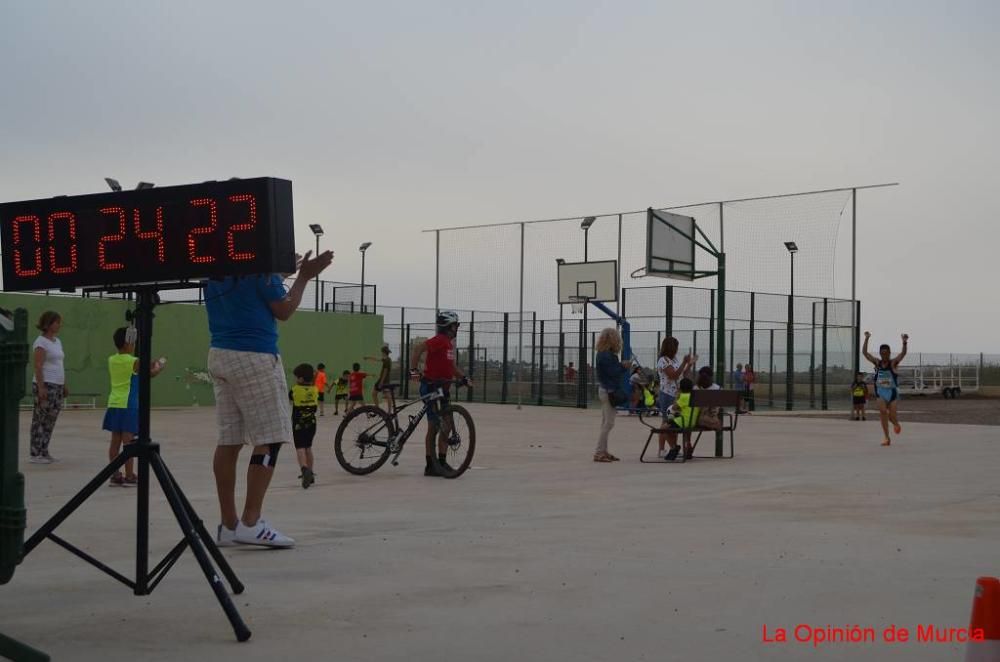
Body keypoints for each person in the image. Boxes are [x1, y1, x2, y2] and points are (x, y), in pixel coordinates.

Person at [206, 249, 333, 549]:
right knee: (271, 437)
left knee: (230, 440)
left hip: (219, 354)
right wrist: (303, 277)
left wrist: (282, 275)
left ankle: (228, 525)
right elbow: (284, 309)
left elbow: (247, 291)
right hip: (255, 356)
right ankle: (251, 522)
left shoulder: (215, 270)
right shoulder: (260, 272)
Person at [408, 310, 470, 476]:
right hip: (431, 388)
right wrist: (414, 371)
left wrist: (463, 378)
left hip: (443, 390)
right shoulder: (439, 340)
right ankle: (430, 465)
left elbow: (451, 367)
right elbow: (418, 349)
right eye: (456, 325)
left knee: (447, 425)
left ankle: (441, 462)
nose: (457, 328)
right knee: (434, 427)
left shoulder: (448, 344)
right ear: (449, 327)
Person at [104, 327, 166, 487]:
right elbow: (150, 372)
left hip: (114, 403)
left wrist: (152, 364)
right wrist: (159, 366)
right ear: (127, 342)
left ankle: (115, 474)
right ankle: (130, 475)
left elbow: (143, 365)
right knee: (129, 443)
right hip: (128, 405)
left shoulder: (112, 359)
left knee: (115, 441)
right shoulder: (133, 361)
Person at [30, 311, 67, 464]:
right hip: (45, 384)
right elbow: (38, 366)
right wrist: (41, 387)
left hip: (57, 385)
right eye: (56, 322)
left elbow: (60, 364)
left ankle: (44, 451)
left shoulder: (57, 341)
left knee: (50, 420)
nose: (59, 325)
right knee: (40, 418)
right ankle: (35, 453)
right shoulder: (40, 342)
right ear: (48, 323)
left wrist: (64, 385)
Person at [862, 331, 909, 446]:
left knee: (892, 416)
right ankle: (886, 438)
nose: (884, 355)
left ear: (889, 353)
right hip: (880, 391)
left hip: (892, 392)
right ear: (880, 353)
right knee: (883, 412)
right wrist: (867, 338)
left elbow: (902, 354)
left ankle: (896, 424)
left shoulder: (893, 363)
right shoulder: (877, 362)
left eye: (886, 353)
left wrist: (904, 343)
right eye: (882, 353)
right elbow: (865, 353)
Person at [593, 327, 631, 463]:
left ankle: (603, 451)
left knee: (605, 422)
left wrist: (620, 365)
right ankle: (599, 452)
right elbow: (613, 372)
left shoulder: (602, 354)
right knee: (608, 423)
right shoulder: (607, 355)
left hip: (605, 389)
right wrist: (623, 366)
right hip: (609, 391)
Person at [655, 336, 696, 460]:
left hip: (676, 394)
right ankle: (662, 449)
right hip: (667, 394)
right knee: (666, 421)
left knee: (674, 421)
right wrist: (684, 362)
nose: (677, 350)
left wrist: (689, 365)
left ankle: (673, 446)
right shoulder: (663, 360)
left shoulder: (674, 359)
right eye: (676, 347)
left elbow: (682, 374)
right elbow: (673, 375)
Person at [289, 363, 319, 489]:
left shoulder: (295, 390)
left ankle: (304, 469)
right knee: (308, 448)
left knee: (300, 448)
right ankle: (310, 473)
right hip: (312, 423)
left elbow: (290, 399)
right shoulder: (315, 390)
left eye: (297, 377)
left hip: (298, 425)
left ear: (301, 379)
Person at [663, 378, 699, 461]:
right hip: (692, 422)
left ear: (680, 388)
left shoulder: (683, 397)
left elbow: (674, 407)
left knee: (663, 428)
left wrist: (677, 396)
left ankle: (674, 447)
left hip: (683, 421)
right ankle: (687, 445)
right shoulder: (695, 397)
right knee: (671, 427)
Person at [364, 344, 395, 411]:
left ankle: (388, 410)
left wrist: (381, 382)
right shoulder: (386, 359)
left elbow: (385, 371)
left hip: (383, 380)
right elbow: (377, 359)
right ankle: (378, 408)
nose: (381, 353)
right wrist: (368, 358)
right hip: (383, 380)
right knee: (375, 394)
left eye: (381, 352)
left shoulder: (387, 361)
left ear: (383, 352)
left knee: (386, 395)